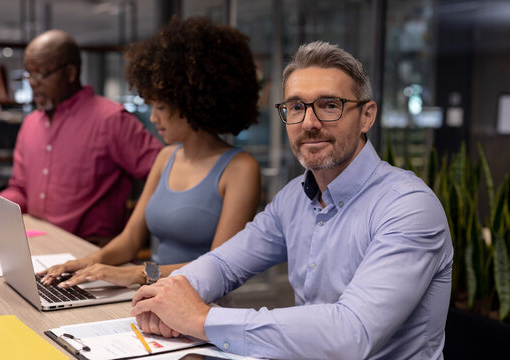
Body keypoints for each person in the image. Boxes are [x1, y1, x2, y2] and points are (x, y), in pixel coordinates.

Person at [129, 41, 454, 359]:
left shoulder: (408, 207)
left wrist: (201, 320)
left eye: (329, 105)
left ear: (366, 116)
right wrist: (170, 294)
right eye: (296, 107)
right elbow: (225, 263)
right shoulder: (293, 199)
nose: (309, 124)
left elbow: (352, 334)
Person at [39, 17, 261, 287]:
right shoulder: (166, 157)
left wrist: (139, 274)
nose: (153, 118)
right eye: (151, 105)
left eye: (162, 108)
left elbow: (221, 266)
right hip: (151, 297)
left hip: (205, 306)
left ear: (194, 103)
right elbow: (130, 240)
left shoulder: (240, 169)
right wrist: (89, 262)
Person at [0, 29, 163, 245]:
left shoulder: (111, 119)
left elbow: (164, 174)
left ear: (71, 73)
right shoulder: (30, 124)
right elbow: (20, 190)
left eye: (42, 74)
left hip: (92, 253)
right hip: (38, 247)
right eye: (29, 74)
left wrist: (133, 234)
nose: (33, 83)